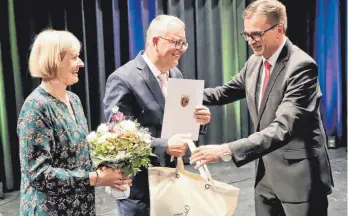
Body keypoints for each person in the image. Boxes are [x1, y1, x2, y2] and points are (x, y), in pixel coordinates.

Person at [190, 1, 333, 216]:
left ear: (279, 30)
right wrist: (183, 95)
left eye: (256, 34)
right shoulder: (255, 62)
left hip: (299, 179)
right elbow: (225, 92)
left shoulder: (302, 67)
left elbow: (282, 128)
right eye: (246, 35)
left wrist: (226, 150)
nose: (250, 41)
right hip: (265, 175)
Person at [103, 15, 211, 215]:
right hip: (139, 191)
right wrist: (165, 145)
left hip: (172, 180)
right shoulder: (123, 79)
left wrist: (198, 120)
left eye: (184, 43)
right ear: (155, 41)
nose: (182, 49)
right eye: (176, 42)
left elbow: (178, 120)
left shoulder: (175, 73)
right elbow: (119, 138)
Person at [17, 29, 131, 216]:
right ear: (53, 60)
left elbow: (79, 156)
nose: (81, 63)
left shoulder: (74, 99)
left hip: (81, 206)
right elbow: (39, 175)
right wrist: (96, 178)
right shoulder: (36, 108)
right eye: (74, 57)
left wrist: (110, 173)